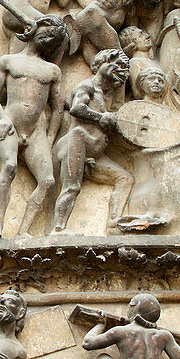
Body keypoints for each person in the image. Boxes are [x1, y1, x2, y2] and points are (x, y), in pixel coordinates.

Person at [0, 16, 71, 238]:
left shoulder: (52, 70)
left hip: (37, 130)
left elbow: (58, 107)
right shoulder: (8, 61)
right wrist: (2, 118)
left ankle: (23, 230)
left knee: (47, 180)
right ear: (33, 29)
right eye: (47, 31)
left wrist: (50, 138)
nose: (49, 38)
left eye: (55, 37)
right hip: (11, 122)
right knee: (9, 166)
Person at [50, 49, 134, 235]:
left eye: (121, 69)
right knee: (72, 186)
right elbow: (77, 108)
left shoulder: (104, 96)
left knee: (125, 178)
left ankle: (113, 224)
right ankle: (58, 229)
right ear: (99, 64)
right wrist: (99, 117)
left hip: (92, 152)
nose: (118, 70)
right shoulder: (86, 86)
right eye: (115, 64)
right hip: (77, 142)